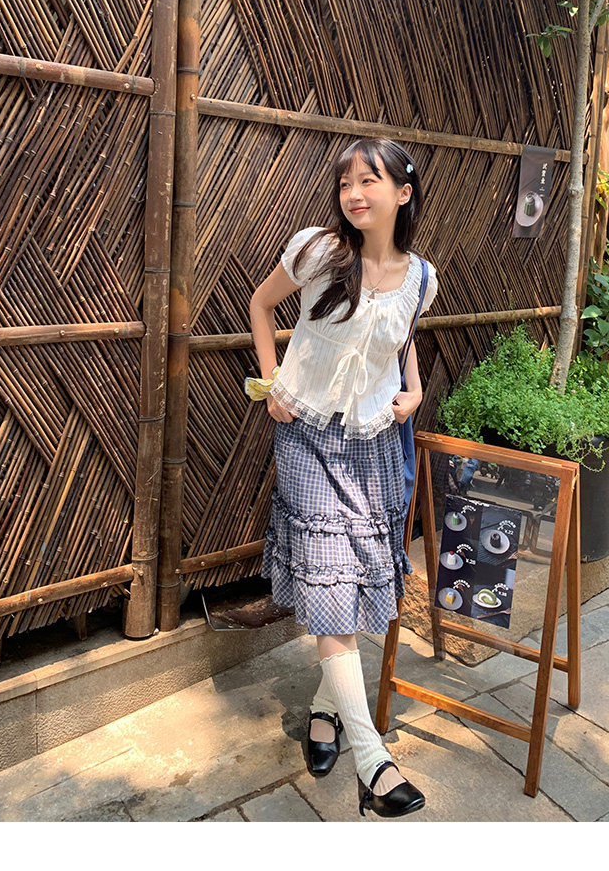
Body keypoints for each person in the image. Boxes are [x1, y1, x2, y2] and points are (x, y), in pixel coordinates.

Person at [247, 137, 438, 819]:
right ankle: (372, 760)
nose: (354, 193)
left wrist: (415, 389)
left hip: (375, 440)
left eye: (369, 180)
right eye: (346, 182)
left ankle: (326, 712)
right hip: (307, 435)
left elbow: (400, 334)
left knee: (359, 582)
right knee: (331, 583)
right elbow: (260, 304)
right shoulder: (319, 251)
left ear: (403, 193)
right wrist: (271, 381)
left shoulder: (421, 277)